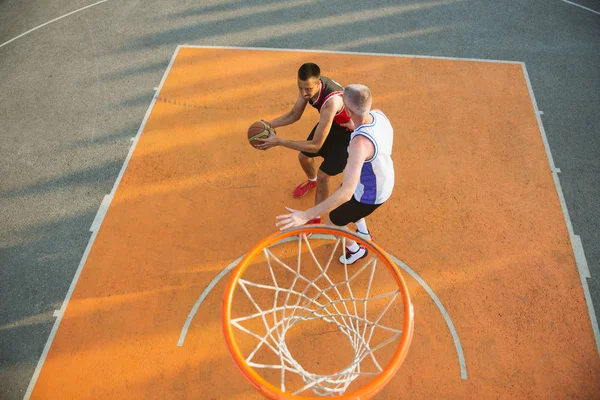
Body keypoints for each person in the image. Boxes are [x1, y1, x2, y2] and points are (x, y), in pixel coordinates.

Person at [275, 84, 395, 265]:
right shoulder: (379, 116)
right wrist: (353, 125)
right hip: (379, 177)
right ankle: (363, 232)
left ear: (346, 109)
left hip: (370, 194)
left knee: (333, 223)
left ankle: (356, 250)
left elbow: (347, 192)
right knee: (346, 204)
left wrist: (306, 215)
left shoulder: (359, 144)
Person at [256, 63, 351, 225]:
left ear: (318, 83)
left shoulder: (331, 103)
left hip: (347, 133)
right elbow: (294, 114)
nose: (303, 93)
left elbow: (316, 145)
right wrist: (269, 124)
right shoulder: (307, 89)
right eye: (300, 87)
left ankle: (314, 218)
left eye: (307, 89)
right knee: (304, 157)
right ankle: (311, 180)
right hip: (329, 123)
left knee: (323, 176)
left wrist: (280, 141)